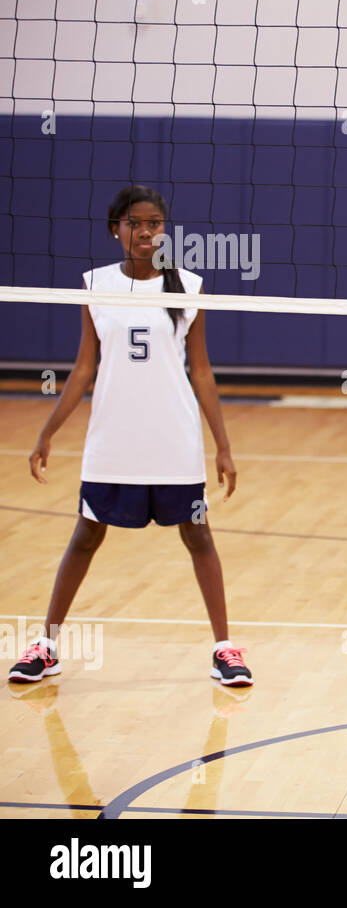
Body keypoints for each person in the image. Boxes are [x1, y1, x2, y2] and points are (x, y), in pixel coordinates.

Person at [9, 185, 252, 687]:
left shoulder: (188, 285)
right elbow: (82, 369)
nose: (145, 231)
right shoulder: (94, 284)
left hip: (174, 439)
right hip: (113, 438)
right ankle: (47, 645)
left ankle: (224, 649)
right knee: (86, 535)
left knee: (198, 535)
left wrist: (223, 446)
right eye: (135, 223)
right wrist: (47, 431)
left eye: (155, 223)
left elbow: (202, 372)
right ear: (115, 228)